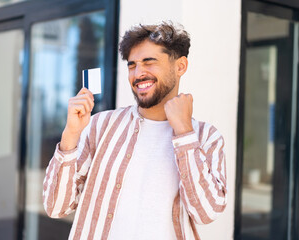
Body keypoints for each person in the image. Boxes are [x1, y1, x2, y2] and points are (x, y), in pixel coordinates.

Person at [42, 22, 227, 240]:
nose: (138, 74)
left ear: (180, 66)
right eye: (132, 65)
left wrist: (184, 133)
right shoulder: (100, 126)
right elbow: (56, 208)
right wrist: (70, 136)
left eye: (149, 62)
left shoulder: (206, 138)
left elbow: (206, 213)